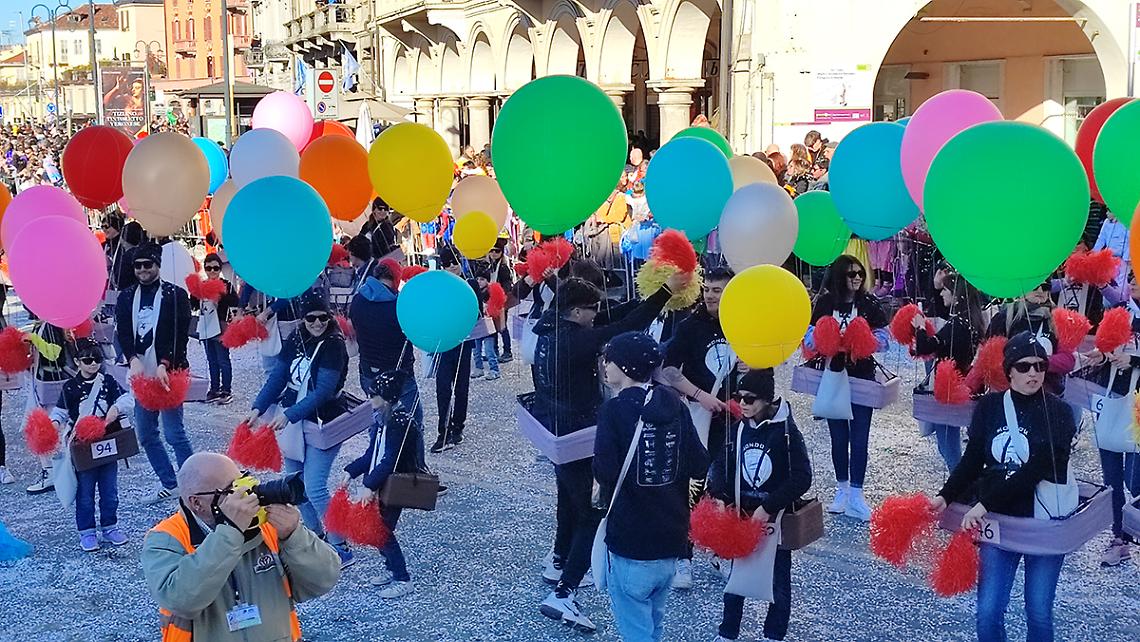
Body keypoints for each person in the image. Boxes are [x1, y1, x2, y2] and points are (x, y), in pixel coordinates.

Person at [534, 274, 686, 632]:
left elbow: (617, 314)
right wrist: (666, 292)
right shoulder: (574, 343)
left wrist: (652, 293)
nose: (597, 314)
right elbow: (626, 325)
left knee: (568, 501)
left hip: (556, 432)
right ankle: (564, 592)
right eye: (592, 309)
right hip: (578, 433)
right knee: (590, 513)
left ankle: (558, 559)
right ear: (575, 311)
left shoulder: (548, 329)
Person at [933, 332, 1078, 641]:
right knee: (988, 611)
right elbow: (973, 459)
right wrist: (945, 497)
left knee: (1038, 611)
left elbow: (1037, 468)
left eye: (1040, 366)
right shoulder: (988, 407)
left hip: (1042, 522)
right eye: (1025, 367)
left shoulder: (1061, 412)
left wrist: (983, 504)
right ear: (1009, 369)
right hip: (998, 524)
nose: (1034, 374)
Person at [141, 452, 341, 642]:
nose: (243, 496)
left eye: (242, 482)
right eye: (230, 490)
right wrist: (231, 532)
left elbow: (324, 580)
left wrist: (294, 536)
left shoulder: (266, 526)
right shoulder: (166, 538)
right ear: (197, 503)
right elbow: (181, 600)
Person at [592, 332, 709, 641]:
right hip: (672, 539)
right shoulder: (675, 404)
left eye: (610, 359)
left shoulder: (613, 411)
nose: (605, 365)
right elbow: (699, 462)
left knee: (636, 630)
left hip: (631, 540)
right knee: (653, 624)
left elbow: (605, 471)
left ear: (626, 368)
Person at [247, 295, 355, 568]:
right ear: (302, 319)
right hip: (293, 419)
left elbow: (324, 391)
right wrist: (257, 408)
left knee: (315, 485)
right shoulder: (296, 337)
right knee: (294, 483)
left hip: (322, 421)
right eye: (311, 318)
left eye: (323, 317)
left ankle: (340, 545)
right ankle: (316, 537)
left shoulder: (334, 345)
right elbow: (279, 376)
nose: (317, 323)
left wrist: (289, 415)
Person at [707, 368, 812, 642]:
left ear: (767, 400)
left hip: (774, 519)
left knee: (778, 580)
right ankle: (728, 632)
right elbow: (721, 464)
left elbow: (802, 477)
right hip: (741, 512)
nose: (742, 403)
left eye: (750, 399)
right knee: (736, 577)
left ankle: (774, 634)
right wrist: (718, 496)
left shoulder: (786, 431)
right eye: (739, 397)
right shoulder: (738, 426)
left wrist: (769, 507)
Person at [659, 266, 735, 589]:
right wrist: (700, 396)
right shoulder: (691, 326)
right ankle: (683, 557)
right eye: (708, 289)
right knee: (691, 486)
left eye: (718, 290)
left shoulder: (744, 322)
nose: (711, 295)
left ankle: (723, 550)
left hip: (735, 419)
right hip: (698, 417)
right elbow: (669, 370)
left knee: (728, 489)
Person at [804, 255, 889, 521]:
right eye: (851, 274)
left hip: (862, 376)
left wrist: (864, 342)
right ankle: (841, 489)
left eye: (860, 274)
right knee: (838, 436)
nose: (857, 279)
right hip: (831, 375)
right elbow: (808, 335)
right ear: (839, 276)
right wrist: (825, 340)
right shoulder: (826, 302)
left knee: (860, 437)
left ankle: (857, 493)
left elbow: (886, 338)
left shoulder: (869, 303)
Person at [115, 243, 194, 504]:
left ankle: (193, 483)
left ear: (157, 265)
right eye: (137, 266)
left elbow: (179, 336)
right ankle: (170, 483)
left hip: (169, 373)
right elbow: (124, 332)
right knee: (146, 433)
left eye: (147, 264)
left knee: (174, 433)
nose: (142, 270)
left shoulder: (176, 295)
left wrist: (164, 363)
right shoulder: (126, 297)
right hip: (142, 374)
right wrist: (132, 359)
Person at [344, 370, 425, 599]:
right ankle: (392, 570)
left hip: (394, 483)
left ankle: (402, 578)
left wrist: (368, 484)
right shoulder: (384, 418)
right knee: (380, 529)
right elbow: (373, 453)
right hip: (383, 481)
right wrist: (351, 471)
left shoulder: (397, 422)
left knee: (383, 531)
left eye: (373, 395)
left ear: (386, 397)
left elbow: (390, 459)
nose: (370, 399)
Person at [49, 339, 135, 551]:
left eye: (97, 359)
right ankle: (86, 531)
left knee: (110, 490)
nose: (93, 364)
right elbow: (60, 411)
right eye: (88, 360)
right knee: (85, 492)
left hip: (107, 441)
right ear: (77, 362)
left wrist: (116, 408)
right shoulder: (70, 387)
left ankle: (110, 527)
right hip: (83, 445)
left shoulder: (108, 381)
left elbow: (128, 399)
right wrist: (52, 424)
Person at [1079, 274, 1140, 566]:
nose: (1134, 284)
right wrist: (1100, 356)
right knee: (1112, 478)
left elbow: (1130, 357)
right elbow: (1107, 348)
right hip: (1112, 399)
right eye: (1132, 279)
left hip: (1138, 406)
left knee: (1135, 478)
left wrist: (1135, 360)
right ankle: (1120, 538)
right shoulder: (1120, 314)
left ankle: (1132, 527)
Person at [911, 276, 986, 473]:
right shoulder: (972, 321)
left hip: (947, 387)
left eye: (945, 290)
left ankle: (959, 486)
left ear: (957, 295)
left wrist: (919, 327)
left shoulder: (958, 325)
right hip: (958, 382)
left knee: (947, 443)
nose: (942, 293)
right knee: (947, 437)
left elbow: (926, 346)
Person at [349, 259, 422, 427]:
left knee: (380, 419)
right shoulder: (398, 305)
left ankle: (379, 450)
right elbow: (413, 333)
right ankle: (407, 452)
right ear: (396, 277)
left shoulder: (358, 299)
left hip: (368, 370)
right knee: (413, 421)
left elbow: (353, 326)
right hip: (399, 371)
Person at [432, 246, 478, 452]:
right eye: (448, 263)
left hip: (464, 342)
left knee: (461, 387)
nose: (452, 267)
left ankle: (457, 427)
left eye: (455, 263)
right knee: (442, 388)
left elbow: (477, 314)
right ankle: (443, 430)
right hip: (443, 343)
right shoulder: (438, 285)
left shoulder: (471, 284)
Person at [196, 253, 239, 405]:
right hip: (206, 325)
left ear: (220, 269)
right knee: (211, 359)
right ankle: (214, 389)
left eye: (215, 268)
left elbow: (235, 301)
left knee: (223, 359)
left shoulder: (226, 284)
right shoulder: (201, 285)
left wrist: (221, 297)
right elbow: (193, 304)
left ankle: (226, 390)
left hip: (221, 325)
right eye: (209, 268)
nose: (212, 271)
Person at [477, 238, 515, 362]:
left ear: (501, 252)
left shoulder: (503, 267)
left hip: (500, 301)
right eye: (491, 251)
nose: (493, 253)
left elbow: (507, 284)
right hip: (489, 300)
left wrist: (501, 296)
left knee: (502, 327)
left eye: (497, 251)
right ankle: (493, 351)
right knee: (491, 326)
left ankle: (508, 351)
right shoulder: (489, 265)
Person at [471, 274, 501, 381]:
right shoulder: (472, 291)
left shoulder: (491, 292)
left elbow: (498, 306)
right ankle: (479, 368)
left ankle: (494, 370)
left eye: (482, 279)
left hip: (489, 326)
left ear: (487, 281)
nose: (479, 281)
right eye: (477, 279)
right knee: (476, 350)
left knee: (489, 350)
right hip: (476, 325)